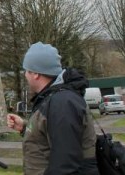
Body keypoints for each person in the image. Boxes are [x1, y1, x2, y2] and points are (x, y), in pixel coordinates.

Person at [6, 42, 99, 174]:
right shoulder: (52, 98)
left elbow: (66, 164)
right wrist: (25, 127)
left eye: (26, 71)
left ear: (36, 74)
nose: (25, 75)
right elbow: (51, 135)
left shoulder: (62, 103)